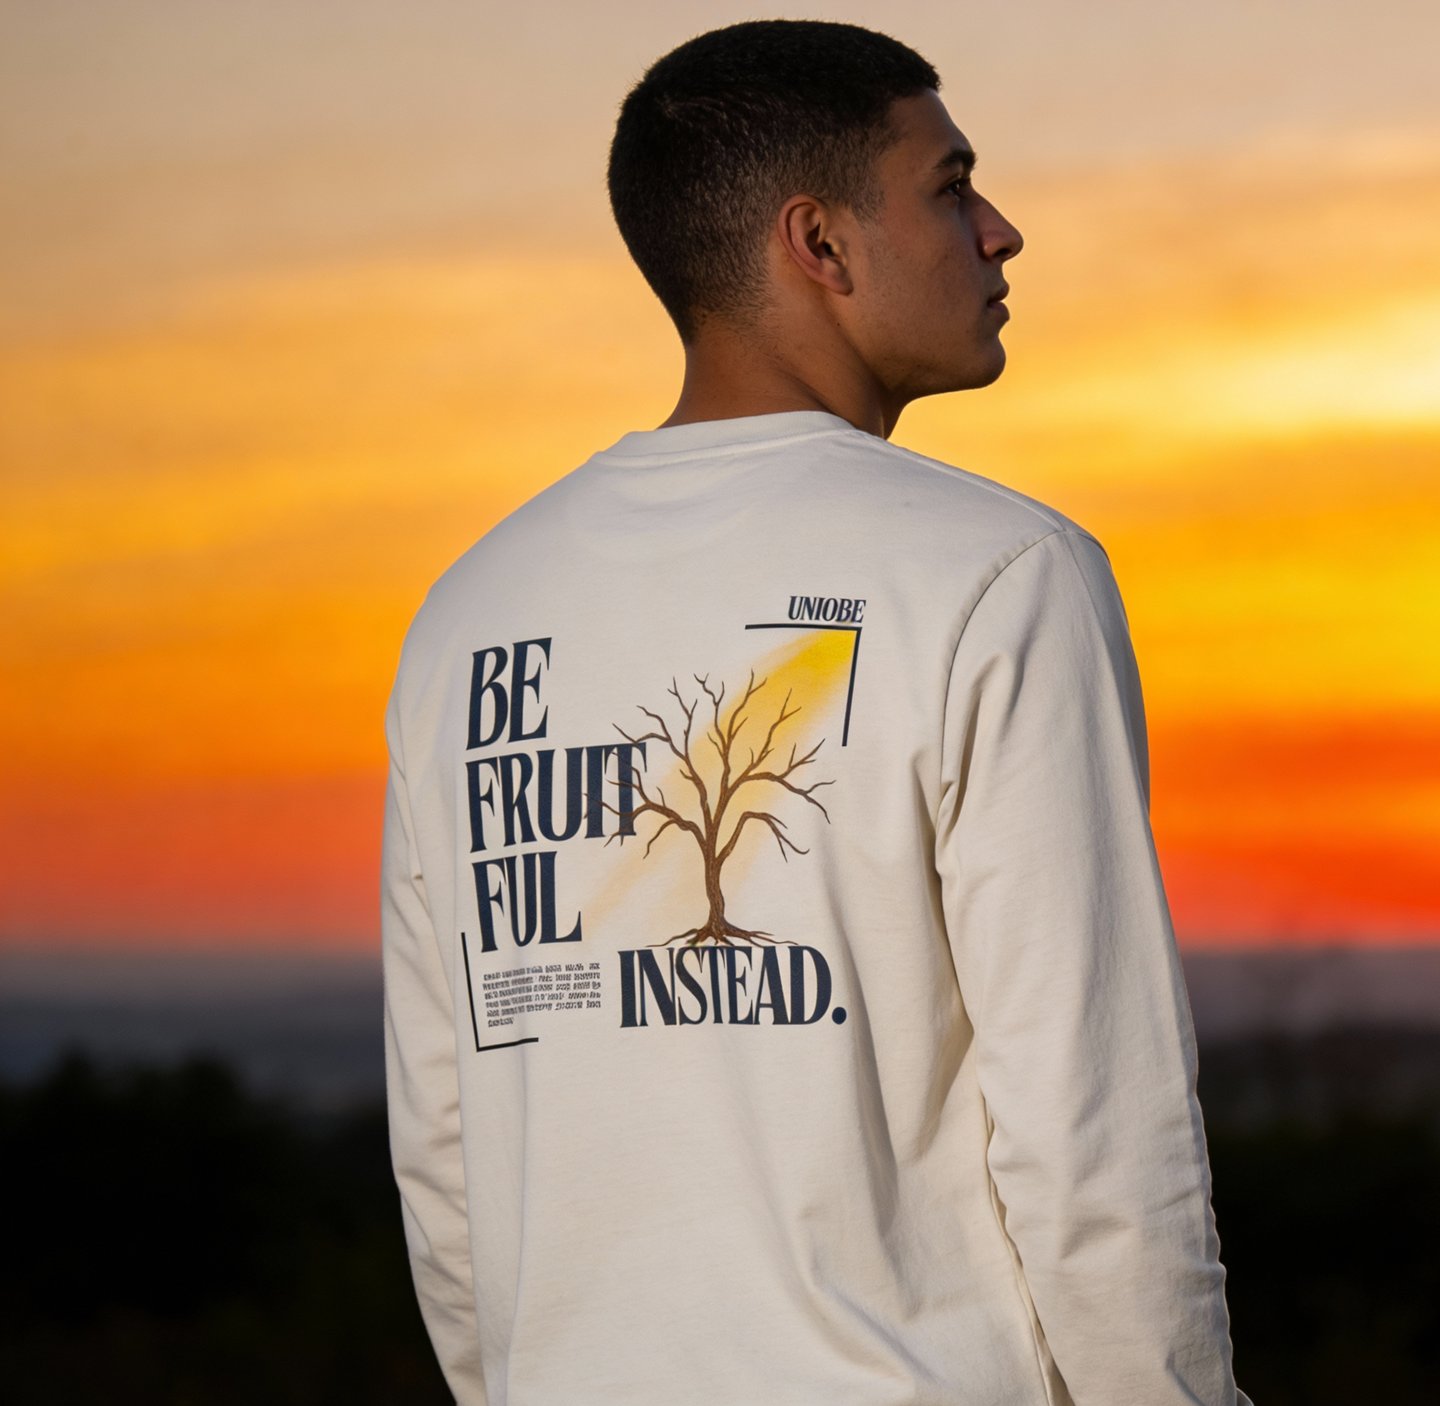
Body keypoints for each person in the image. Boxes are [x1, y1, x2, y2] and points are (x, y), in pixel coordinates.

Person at [378, 19, 1251, 1404]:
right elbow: (1094, 1135)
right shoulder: (1002, 575)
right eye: (952, 185)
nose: (1002, 231)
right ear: (822, 244)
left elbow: (448, 1142)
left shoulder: (468, 615)